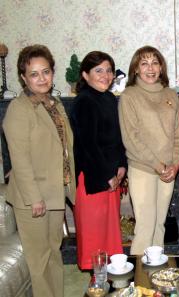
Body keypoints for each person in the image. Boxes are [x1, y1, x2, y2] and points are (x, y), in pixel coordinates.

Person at [3, 44, 76, 297]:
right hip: (32, 198)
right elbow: (19, 160)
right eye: (34, 74)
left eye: (46, 72)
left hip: (54, 192)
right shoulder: (19, 109)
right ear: (23, 77)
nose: (42, 78)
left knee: (54, 253)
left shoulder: (53, 103)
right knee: (39, 261)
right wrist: (34, 198)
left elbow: (65, 148)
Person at [118, 46, 179, 255]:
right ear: (136, 69)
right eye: (144, 63)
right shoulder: (129, 96)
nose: (150, 68)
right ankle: (137, 283)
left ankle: (155, 276)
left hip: (168, 171)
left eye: (155, 62)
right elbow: (131, 138)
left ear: (161, 67)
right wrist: (158, 165)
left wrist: (176, 164)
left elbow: (178, 134)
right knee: (145, 228)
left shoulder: (170, 95)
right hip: (143, 169)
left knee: (159, 226)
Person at [71, 51, 127, 270]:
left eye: (109, 70)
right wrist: (107, 176)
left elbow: (117, 137)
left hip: (112, 177)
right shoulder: (83, 101)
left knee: (108, 233)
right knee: (95, 235)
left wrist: (122, 165)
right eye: (99, 70)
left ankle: (110, 276)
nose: (106, 75)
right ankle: (97, 282)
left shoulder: (108, 98)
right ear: (85, 75)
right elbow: (89, 145)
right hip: (94, 180)